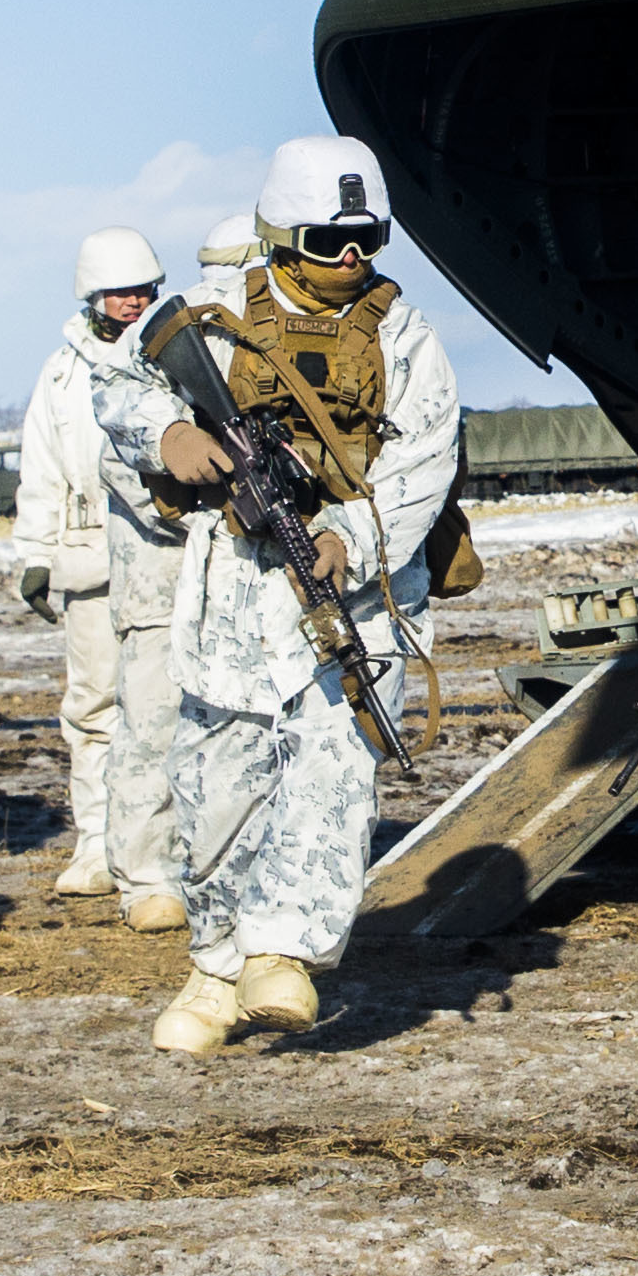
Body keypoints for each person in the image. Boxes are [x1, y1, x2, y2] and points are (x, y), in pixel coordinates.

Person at [85, 140, 462, 1051]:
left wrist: (351, 539)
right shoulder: (208, 321)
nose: (350, 260)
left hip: (351, 587)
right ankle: (217, 966)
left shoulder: (403, 336)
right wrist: (166, 433)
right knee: (216, 779)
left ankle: (284, 954)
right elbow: (118, 382)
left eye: (365, 238)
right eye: (330, 240)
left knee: (333, 771)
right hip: (233, 585)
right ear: (282, 235)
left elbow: (424, 461)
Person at [19, 228, 188, 925]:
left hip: (161, 554)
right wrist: (35, 552)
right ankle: (95, 844)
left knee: (163, 708)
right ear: (91, 296)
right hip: (89, 554)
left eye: (142, 290)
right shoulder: (60, 374)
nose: (131, 303)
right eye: (117, 292)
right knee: (92, 708)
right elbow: (42, 465)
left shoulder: (179, 357)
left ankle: (161, 855)